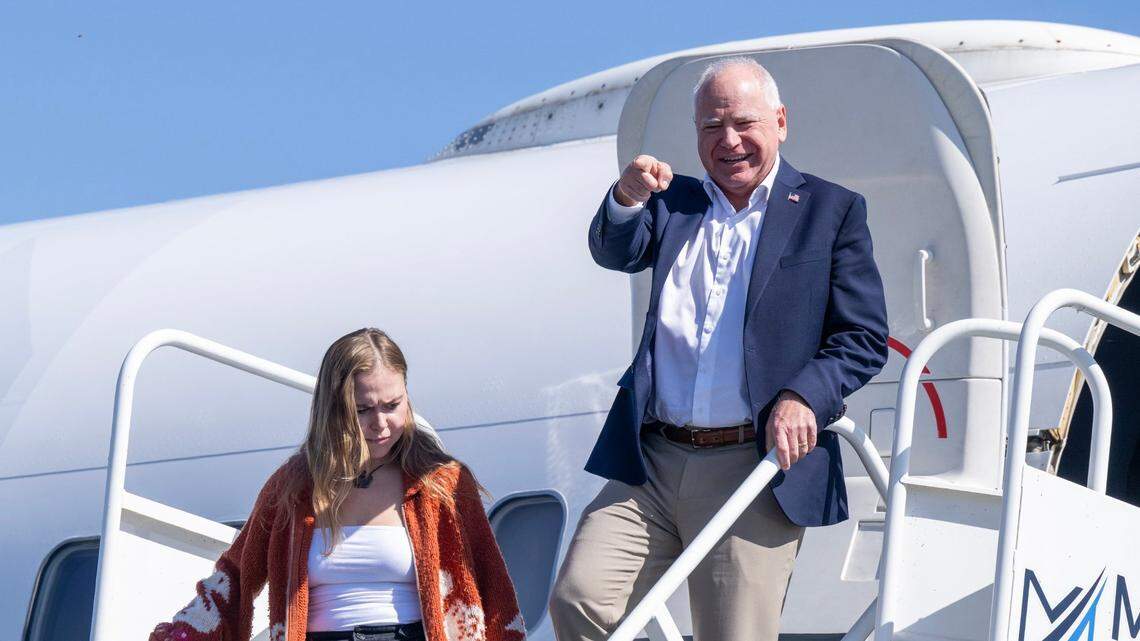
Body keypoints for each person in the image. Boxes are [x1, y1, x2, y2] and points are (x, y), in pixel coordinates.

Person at [548, 57, 889, 641]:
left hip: (752, 463)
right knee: (581, 598)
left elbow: (862, 337)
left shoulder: (831, 212)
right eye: (711, 127)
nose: (728, 141)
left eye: (744, 123)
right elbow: (615, 250)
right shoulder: (671, 202)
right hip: (652, 461)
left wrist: (804, 396)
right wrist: (626, 196)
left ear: (780, 122)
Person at [149, 328, 527, 641]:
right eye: (362, 410)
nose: (380, 424)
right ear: (334, 409)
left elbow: (495, 594)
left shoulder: (441, 483)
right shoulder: (294, 488)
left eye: (392, 405)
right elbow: (233, 578)